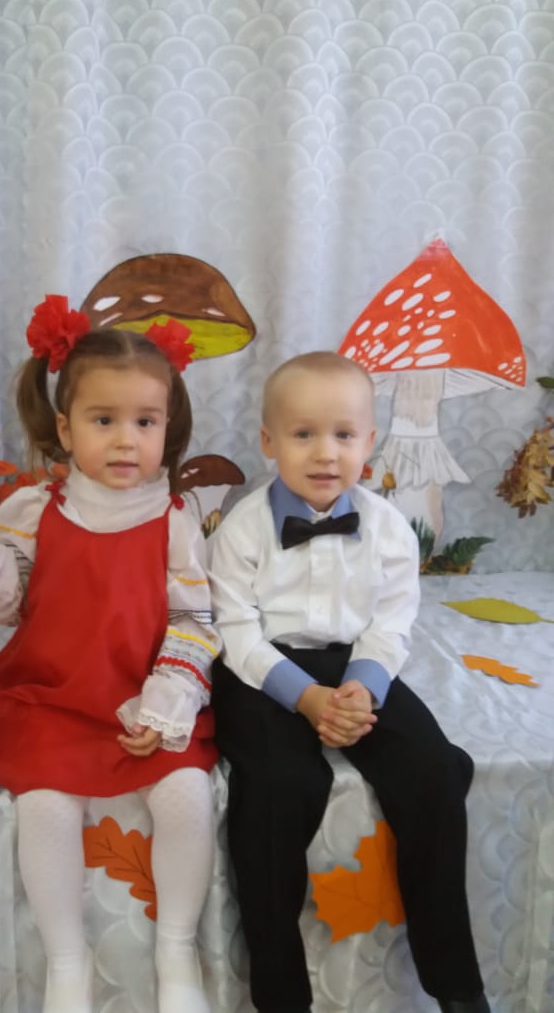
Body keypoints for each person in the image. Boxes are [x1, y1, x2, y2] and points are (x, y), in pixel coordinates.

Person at [0, 296, 219, 1013]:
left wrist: (165, 703)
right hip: (52, 697)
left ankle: (176, 948)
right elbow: (11, 604)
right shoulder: (37, 511)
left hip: (140, 696)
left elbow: (195, 621)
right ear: (65, 429)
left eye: (145, 422)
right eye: (104, 421)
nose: (126, 441)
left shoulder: (176, 523)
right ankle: (68, 962)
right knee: (43, 805)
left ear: (167, 428)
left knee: (187, 798)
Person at [208, 351, 490, 1013]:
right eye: (303, 434)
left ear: (369, 441)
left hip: (355, 662)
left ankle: (457, 985)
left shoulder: (388, 527)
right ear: (269, 441)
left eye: (343, 434)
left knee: (435, 772)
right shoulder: (242, 527)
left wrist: (363, 687)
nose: (325, 453)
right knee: (281, 789)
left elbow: (391, 621)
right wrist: (305, 699)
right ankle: (281, 995)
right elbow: (236, 632)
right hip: (264, 670)